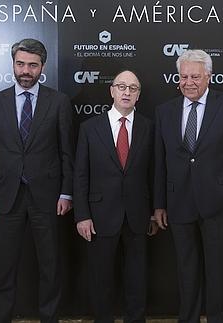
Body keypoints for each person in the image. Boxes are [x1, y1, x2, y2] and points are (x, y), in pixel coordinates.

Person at [0, 38, 74, 323]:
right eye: (20, 64)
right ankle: (2, 317)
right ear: (13, 64)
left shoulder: (59, 102)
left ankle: (50, 318)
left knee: (50, 266)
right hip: (7, 197)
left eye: (32, 65)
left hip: (48, 197)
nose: (25, 71)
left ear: (42, 67)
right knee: (4, 267)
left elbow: (67, 152)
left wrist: (66, 193)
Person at [153, 49, 223, 323]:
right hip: (179, 203)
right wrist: (160, 203)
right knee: (186, 270)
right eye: (183, 76)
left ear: (209, 76)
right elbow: (160, 161)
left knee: (220, 271)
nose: (189, 82)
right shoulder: (164, 111)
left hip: (220, 203)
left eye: (195, 76)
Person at [74, 70, 157, 323]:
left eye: (133, 88)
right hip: (100, 217)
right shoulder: (89, 128)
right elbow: (80, 175)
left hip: (138, 216)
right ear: (112, 91)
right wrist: (82, 215)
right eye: (122, 86)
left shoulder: (149, 127)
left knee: (137, 279)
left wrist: (154, 211)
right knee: (101, 280)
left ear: (139, 95)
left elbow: (154, 173)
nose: (127, 92)